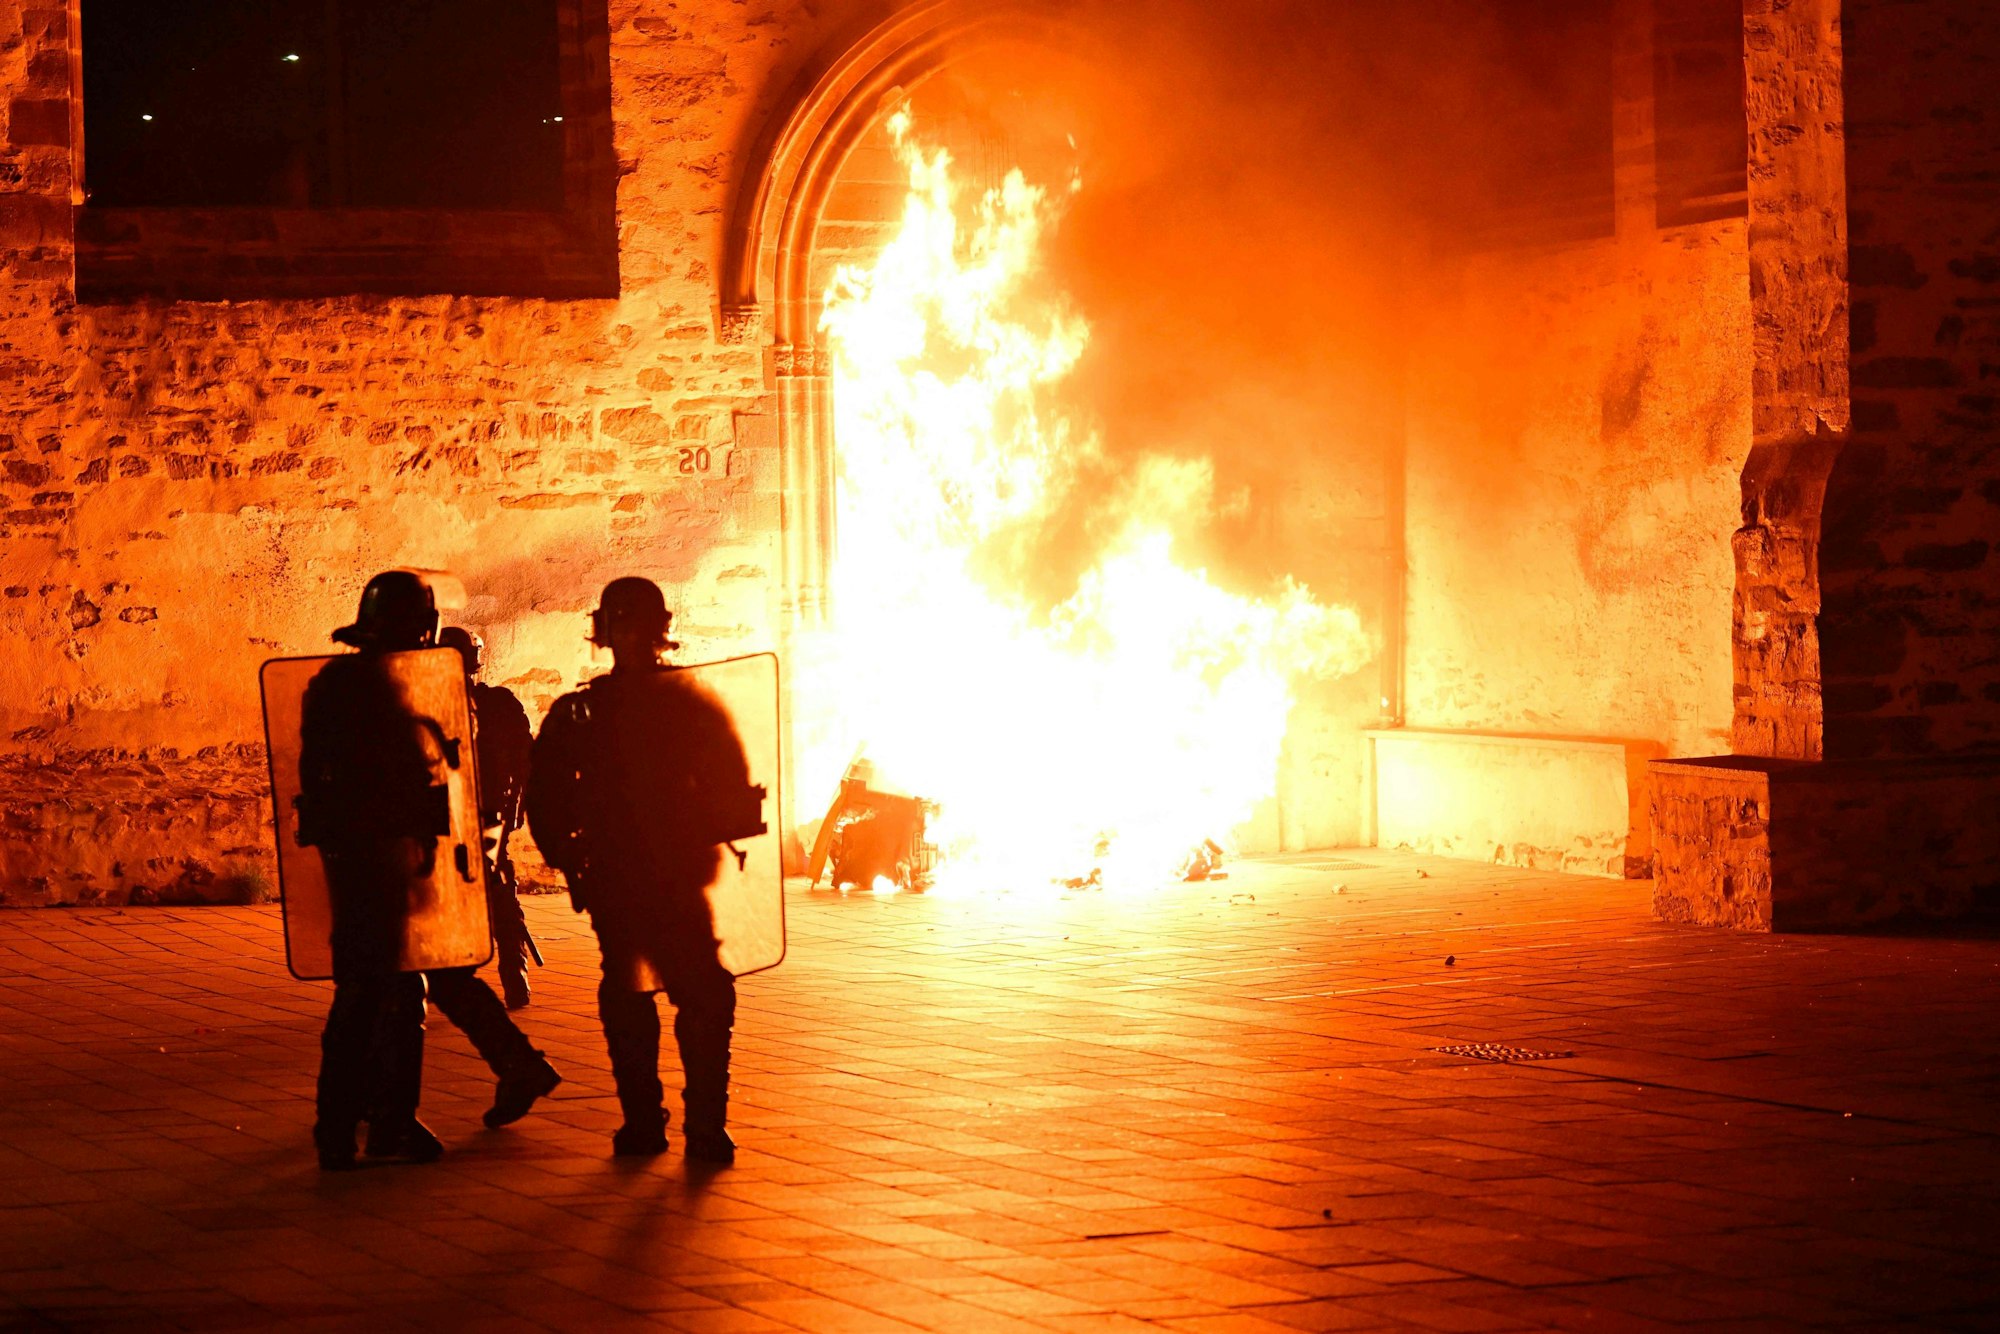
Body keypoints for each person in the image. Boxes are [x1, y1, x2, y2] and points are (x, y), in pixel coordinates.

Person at [526, 578, 754, 1164]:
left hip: (676, 873)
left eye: (635, 627)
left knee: (700, 995)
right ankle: (646, 1124)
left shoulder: (679, 703)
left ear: (654, 632)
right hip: (620, 876)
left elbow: (730, 781)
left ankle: (701, 1127)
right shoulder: (583, 713)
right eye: (620, 627)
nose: (629, 638)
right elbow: (546, 798)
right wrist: (568, 859)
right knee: (636, 994)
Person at [296, 570, 449, 1170]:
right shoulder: (390, 692)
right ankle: (386, 1124)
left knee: (359, 992)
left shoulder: (333, 685)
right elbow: (412, 774)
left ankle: (339, 1127)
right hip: (379, 857)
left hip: (353, 857)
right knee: (395, 992)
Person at [417, 630, 562, 1133]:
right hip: (469, 821)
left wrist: (509, 811)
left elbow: (519, 765)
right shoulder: (465, 701)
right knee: (496, 901)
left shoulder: (478, 705)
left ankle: (514, 981)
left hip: (476, 821)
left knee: (493, 904)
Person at [438, 627, 537, 1009]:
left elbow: (525, 762)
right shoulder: (436, 700)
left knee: (494, 888)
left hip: (481, 812)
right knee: (491, 889)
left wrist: (516, 805)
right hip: (457, 812)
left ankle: (513, 973)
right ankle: (509, 974)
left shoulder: (494, 705)